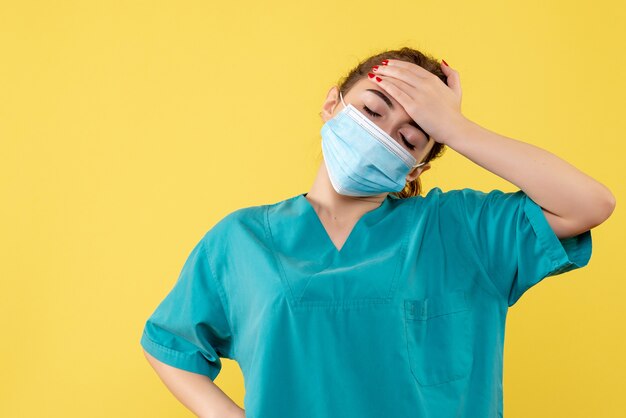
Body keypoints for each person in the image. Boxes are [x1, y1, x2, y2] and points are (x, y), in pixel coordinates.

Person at [140, 47, 615, 418]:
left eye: (411, 136)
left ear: (416, 168)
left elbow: (591, 203)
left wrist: (455, 126)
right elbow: (170, 343)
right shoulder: (242, 241)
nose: (386, 134)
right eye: (373, 110)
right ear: (332, 105)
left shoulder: (460, 231)